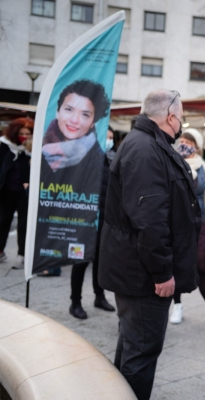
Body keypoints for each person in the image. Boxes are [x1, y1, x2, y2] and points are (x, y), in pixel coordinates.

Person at [98, 90, 201, 400]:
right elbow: (150, 221)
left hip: (136, 270)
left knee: (133, 346)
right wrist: (162, 274)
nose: (181, 123)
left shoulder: (148, 144)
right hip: (142, 275)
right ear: (170, 118)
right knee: (141, 351)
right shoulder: (145, 149)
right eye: (181, 117)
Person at [36, 79, 110, 277]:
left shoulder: (98, 158)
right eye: (69, 109)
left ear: (93, 120)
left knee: (89, 260)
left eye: (85, 114)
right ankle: (75, 302)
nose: (75, 120)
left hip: (85, 224)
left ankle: (97, 296)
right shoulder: (40, 153)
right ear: (58, 110)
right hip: (51, 225)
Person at [169, 128, 205, 328]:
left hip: (198, 223)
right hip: (177, 223)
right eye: (182, 139)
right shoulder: (173, 162)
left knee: (201, 266)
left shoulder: (204, 167)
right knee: (175, 265)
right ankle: (177, 306)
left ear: (196, 145)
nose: (183, 143)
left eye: (188, 141)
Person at [69, 127, 117, 319]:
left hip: (104, 220)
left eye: (112, 138)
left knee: (100, 261)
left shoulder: (112, 159)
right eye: (106, 137)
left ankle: (99, 296)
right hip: (83, 220)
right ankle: (75, 302)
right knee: (80, 262)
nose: (109, 141)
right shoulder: (83, 159)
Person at [0, 117, 33, 268]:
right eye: (22, 133)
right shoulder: (5, 146)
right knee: (3, 221)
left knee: (24, 224)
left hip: (25, 193)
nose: (24, 136)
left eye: (28, 133)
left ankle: (22, 255)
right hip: (7, 191)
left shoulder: (31, 149)